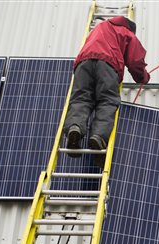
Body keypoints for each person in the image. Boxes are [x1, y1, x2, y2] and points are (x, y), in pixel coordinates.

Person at [64, 16, 150, 158]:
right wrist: (143, 77)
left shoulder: (99, 27)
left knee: (81, 99)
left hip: (83, 64)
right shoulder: (127, 32)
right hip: (107, 65)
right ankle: (98, 136)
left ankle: (75, 127)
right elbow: (135, 61)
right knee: (107, 100)